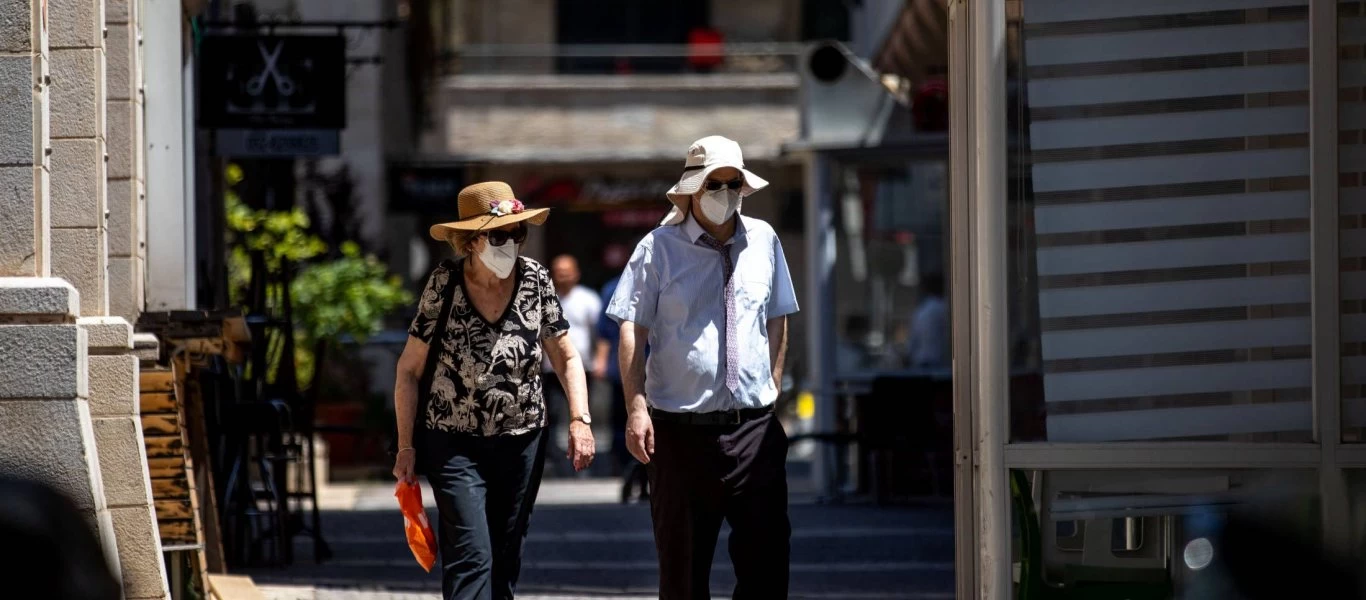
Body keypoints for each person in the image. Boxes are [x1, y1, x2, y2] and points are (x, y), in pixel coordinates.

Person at [608, 135, 800, 599]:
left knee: (768, 568)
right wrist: (636, 408)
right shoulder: (657, 248)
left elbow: (777, 317)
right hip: (679, 434)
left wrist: (771, 389)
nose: (726, 193)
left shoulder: (765, 240)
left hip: (753, 429)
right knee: (684, 574)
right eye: (716, 183)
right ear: (693, 187)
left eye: (734, 183)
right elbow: (632, 329)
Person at [392, 181, 595, 600]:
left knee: (504, 556)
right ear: (471, 240)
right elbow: (409, 370)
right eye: (499, 235)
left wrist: (580, 420)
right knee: (471, 554)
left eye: (517, 234)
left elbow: (567, 358)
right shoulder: (444, 283)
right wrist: (406, 446)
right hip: (452, 442)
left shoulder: (536, 280)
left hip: (522, 441)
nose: (511, 245)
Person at [542, 255, 601, 476]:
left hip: (583, 368)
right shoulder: (547, 299)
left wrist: (600, 360)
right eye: (558, 271)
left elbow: (600, 334)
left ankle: (584, 461)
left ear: (576, 273)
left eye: (567, 271)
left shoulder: (588, 299)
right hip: (550, 369)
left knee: (582, 415)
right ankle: (557, 461)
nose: (563, 276)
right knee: (553, 416)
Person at [593, 273, 650, 500]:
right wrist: (601, 359)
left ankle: (641, 475)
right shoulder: (614, 287)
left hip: (659, 371)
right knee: (622, 423)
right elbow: (605, 330)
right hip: (624, 369)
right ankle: (627, 470)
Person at [907, 273, 949, 369]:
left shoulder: (921, 310)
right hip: (938, 362)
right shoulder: (943, 308)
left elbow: (913, 339)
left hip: (921, 360)